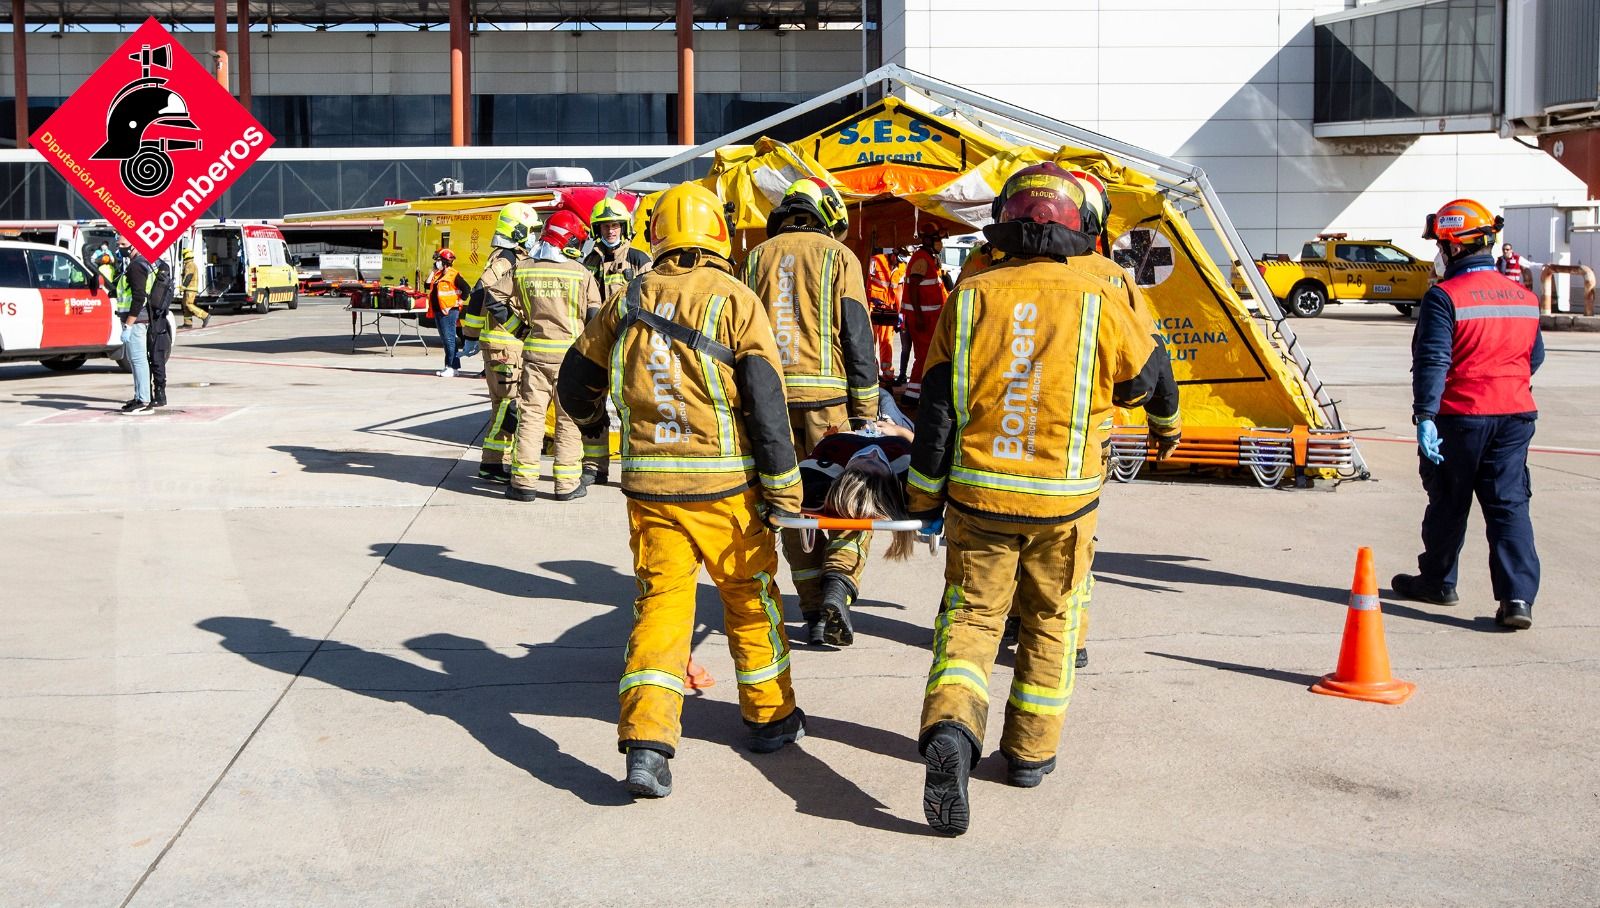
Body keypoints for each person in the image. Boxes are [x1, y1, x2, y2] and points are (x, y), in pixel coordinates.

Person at [904, 163, 1179, 835]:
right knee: (1053, 619)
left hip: (979, 496)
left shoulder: (970, 293)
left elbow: (937, 408)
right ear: (1086, 224)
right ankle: (1028, 754)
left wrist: (922, 494)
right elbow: (1150, 381)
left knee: (969, 622)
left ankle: (951, 730)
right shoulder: (1103, 291)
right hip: (1064, 503)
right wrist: (1165, 428)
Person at [557, 181, 806, 798]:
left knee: (662, 609)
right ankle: (770, 720)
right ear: (718, 231)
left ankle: (647, 743)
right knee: (750, 600)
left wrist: (595, 429)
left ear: (655, 234)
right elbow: (767, 406)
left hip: (652, 491)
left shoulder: (628, 297)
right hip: (725, 488)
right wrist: (784, 492)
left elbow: (574, 383)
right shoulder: (736, 299)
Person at [1392, 199, 1544, 631]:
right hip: (1515, 416)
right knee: (1509, 506)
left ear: (1454, 247)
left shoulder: (1444, 297)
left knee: (1448, 501)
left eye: (1441, 245)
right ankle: (1517, 599)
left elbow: (1433, 360)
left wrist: (1425, 415)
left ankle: (1439, 582)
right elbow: (1534, 357)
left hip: (1460, 416)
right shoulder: (1524, 297)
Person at [742, 177, 879, 647]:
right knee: (851, 500)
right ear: (829, 216)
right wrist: (866, 412)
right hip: (830, 406)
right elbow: (858, 336)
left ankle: (811, 611)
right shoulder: (840, 257)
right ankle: (839, 584)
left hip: (772, 407)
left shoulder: (755, 258)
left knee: (792, 506)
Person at [506, 211, 603, 503]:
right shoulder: (581, 273)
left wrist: (520, 330)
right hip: (570, 359)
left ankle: (523, 484)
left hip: (535, 355)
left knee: (531, 418)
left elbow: (492, 300)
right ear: (567, 239)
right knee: (568, 420)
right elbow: (594, 318)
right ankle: (566, 485)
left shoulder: (523, 269)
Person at [460, 202, 542, 484]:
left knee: (504, 405)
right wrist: (471, 334)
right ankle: (492, 463)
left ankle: (496, 462)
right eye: (532, 232)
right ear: (518, 231)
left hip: (503, 345)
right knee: (508, 405)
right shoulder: (506, 259)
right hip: (505, 345)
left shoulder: (508, 256)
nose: (534, 238)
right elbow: (482, 290)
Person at [901, 225, 951, 407]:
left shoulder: (929, 259)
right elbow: (913, 288)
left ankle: (917, 393)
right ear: (929, 240)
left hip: (929, 319)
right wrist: (920, 316)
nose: (941, 244)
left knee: (927, 356)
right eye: (938, 240)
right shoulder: (921, 259)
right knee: (924, 357)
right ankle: (911, 396)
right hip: (922, 319)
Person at [114, 238, 155, 415]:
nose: (120, 248)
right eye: (119, 244)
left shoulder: (136, 265)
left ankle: (144, 400)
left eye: (123, 245)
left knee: (138, 361)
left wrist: (128, 324)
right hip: (137, 320)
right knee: (135, 360)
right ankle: (139, 396)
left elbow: (139, 297)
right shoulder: (140, 262)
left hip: (137, 321)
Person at [428, 248, 470, 378]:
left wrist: (458, 303)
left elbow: (466, 289)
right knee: (447, 340)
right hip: (439, 311)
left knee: (449, 340)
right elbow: (427, 284)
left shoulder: (453, 274)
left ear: (445, 261)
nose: (436, 263)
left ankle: (450, 367)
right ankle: (453, 367)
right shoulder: (439, 274)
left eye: (438, 260)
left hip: (449, 312)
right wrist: (433, 271)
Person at [866, 247, 902, 385]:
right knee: (870, 340)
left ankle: (887, 374)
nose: (898, 263)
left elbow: (899, 290)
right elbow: (866, 281)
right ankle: (871, 372)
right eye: (897, 259)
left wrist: (899, 312)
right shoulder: (876, 261)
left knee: (887, 341)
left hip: (888, 310)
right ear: (892, 253)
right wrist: (869, 299)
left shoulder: (901, 267)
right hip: (872, 308)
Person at [178, 245, 209, 329]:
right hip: (188, 289)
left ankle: (205, 316)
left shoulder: (190, 264)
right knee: (185, 305)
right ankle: (187, 323)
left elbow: (189, 276)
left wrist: (183, 286)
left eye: (184, 255)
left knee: (188, 304)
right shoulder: (188, 264)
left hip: (191, 289)